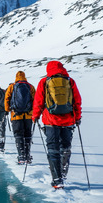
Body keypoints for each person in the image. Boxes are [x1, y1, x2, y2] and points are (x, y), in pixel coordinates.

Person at [32, 61, 82, 189]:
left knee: (53, 149)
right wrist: (77, 118)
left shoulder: (44, 82)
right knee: (65, 148)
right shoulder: (70, 81)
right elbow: (77, 101)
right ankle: (63, 173)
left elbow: (38, 101)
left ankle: (57, 179)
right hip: (68, 121)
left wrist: (35, 116)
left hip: (51, 121)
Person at [5, 71, 36, 164]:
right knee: (27, 134)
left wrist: (7, 109)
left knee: (18, 134)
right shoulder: (30, 86)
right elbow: (35, 100)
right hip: (28, 115)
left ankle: (21, 156)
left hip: (16, 115)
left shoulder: (12, 86)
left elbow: (7, 98)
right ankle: (27, 155)